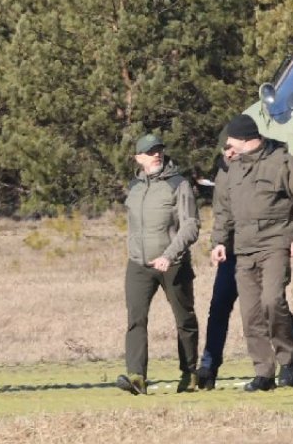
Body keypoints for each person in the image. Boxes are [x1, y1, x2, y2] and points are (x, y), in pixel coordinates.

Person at [196, 128, 293, 391]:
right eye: (224, 150)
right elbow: (222, 213)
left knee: (273, 303)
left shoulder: (276, 163)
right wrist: (218, 244)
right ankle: (211, 366)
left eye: (231, 148)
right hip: (235, 251)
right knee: (226, 308)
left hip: (269, 244)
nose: (229, 154)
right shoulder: (227, 172)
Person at [115, 133, 200, 395]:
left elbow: (191, 225)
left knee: (184, 320)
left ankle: (189, 374)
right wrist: (133, 252)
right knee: (135, 320)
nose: (156, 155)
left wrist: (169, 255)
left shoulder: (178, 184)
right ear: (138, 158)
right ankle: (136, 376)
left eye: (159, 150)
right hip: (139, 265)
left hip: (173, 264)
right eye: (150, 151)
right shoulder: (134, 187)